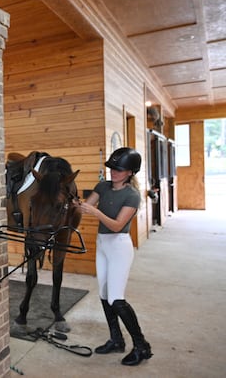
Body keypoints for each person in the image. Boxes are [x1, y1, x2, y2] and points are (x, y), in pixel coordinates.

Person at [78, 147, 153, 366]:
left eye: (119, 170)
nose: (114, 172)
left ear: (130, 172)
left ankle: (141, 346)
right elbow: (85, 207)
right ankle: (116, 339)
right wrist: (73, 203)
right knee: (103, 293)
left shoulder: (132, 195)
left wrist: (95, 212)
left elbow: (118, 224)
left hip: (119, 246)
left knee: (116, 298)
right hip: (102, 244)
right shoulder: (103, 186)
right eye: (112, 168)